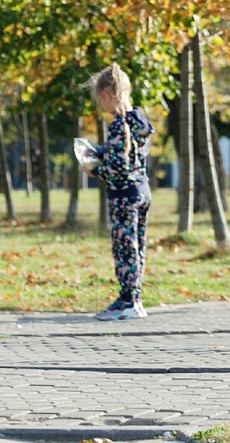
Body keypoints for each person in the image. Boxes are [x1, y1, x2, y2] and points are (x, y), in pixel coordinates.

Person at [87, 64, 155, 321]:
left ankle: (127, 301)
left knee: (124, 249)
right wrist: (103, 152)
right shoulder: (139, 120)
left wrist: (95, 170)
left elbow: (117, 167)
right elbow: (130, 155)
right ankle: (134, 298)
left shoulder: (118, 125)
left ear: (107, 95)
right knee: (137, 247)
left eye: (99, 99)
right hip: (141, 191)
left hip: (123, 196)